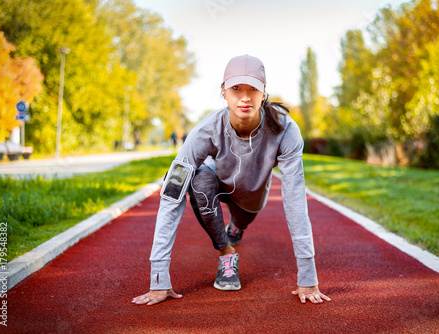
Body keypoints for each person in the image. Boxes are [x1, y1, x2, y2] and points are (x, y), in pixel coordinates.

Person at [132, 54, 330, 306]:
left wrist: (308, 276)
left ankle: (236, 226)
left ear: (263, 93)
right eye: (236, 88)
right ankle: (227, 252)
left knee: (241, 220)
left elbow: (295, 201)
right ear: (224, 91)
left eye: (252, 89)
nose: (245, 97)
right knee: (199, 181)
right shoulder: (206, 129)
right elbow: (173, 192)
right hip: (217, 184)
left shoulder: (286, 130)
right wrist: (158, 277)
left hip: (251, 199)